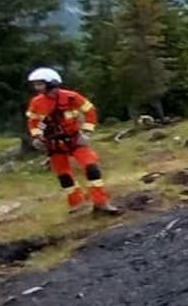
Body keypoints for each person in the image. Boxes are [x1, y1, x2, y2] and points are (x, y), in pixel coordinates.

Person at [25, 67, 120, 216]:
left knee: (91, 168)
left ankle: (101, 202)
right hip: (54, 144)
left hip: (75, 139)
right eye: (35, 84)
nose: (36, 88)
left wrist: (87, 132)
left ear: (51, 83)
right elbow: (33, 121)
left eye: (39, 84)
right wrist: (37, 137)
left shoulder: (71, 97)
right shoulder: (36, 102)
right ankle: (77, 204)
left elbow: (90, 111)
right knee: (64, 176)